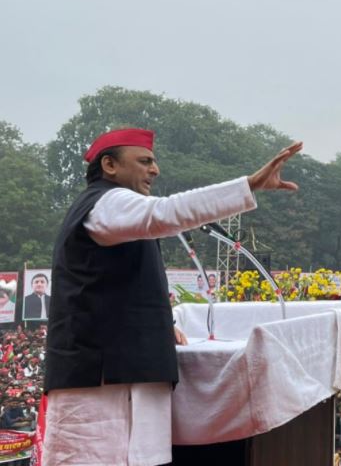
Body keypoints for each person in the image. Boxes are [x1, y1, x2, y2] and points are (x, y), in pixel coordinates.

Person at [42, 128, 303, 466]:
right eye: (145, 161)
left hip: (129, 375)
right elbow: (165, 212)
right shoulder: (107, 202)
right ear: (109, 165)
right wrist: (247, 185)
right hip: (99, 386)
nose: (155, 170)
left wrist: (160, 324)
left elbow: (121, 284)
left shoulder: (123, 211)